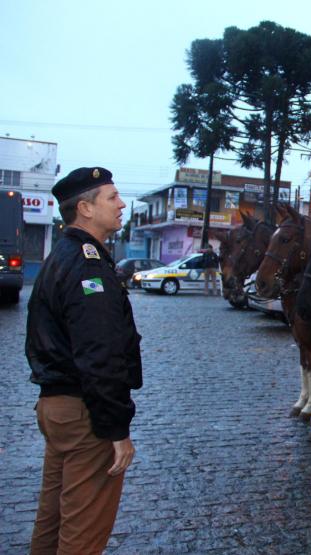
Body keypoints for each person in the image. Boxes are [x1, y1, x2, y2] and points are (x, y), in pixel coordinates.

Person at [26, 167, 143, 554]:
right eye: (112, 197)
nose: (122, 203)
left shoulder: (62, 254)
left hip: (57, 407)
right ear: (85, 209)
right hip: (85, 415)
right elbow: (100, 355)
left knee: (54, 519)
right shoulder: (87, 265)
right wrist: (116, 430)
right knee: (83, 534)